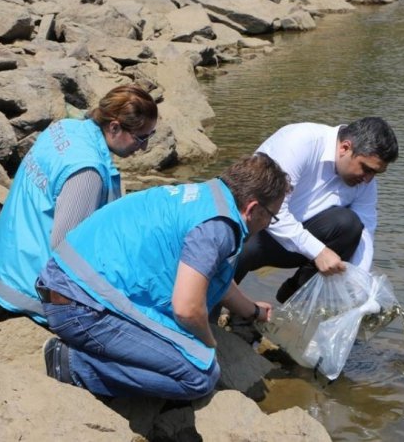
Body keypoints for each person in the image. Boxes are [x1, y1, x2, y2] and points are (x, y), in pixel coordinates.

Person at [37, 153, 291, 399]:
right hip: (80, 306)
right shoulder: (218, 228)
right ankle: (74, 366)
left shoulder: (208, 196)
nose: (269, 223)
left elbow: (214, 276)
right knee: (199, 376)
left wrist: (253, 310)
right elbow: (187, 310)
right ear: (253, 208)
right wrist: (209, 342)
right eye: (272, 215)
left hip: (65, 279)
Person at [0, 84, 158, 323]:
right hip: (29, 291)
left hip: (5, 265)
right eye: (141, 137)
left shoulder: (65, 128)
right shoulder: (87, 171)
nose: (145, 146)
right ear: (114, 127)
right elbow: (67, 251)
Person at [233, 117, 398, 303]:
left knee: (349, 225)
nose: (368, 179)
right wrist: (318, 251)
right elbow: (269, 210)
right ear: (345, 148)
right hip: (254, 231)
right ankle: (220, 308)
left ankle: (296, 301)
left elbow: (366, 232)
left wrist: (360, 289)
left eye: (375, 173)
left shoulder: (365, 181)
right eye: (366, 169)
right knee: (238, 247)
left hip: (297, 245)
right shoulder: (300, 142)